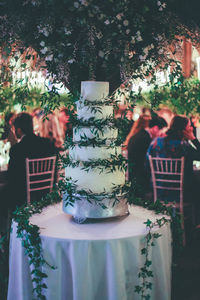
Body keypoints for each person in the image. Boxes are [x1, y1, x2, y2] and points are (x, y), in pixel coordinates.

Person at [7, 112, 57, 210]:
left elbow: (12, 177)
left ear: (19, 130)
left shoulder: (16, 149)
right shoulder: (48, 143)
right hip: (46, 194)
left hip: (25, 198)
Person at [146, 115, 200, 206]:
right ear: (183, 131)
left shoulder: (156, 142)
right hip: (181, 193)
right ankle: (191, 219)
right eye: (189, 126)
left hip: (159, 190)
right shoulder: (184, 146)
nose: (191, 128)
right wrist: (193, 139)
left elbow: (147, 165)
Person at [128, 115, 167, 198]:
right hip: (141, 181)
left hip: (134, 177)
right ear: (156, 128)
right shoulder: (145, 139)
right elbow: (150, 162)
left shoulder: (140, 135)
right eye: (162, 130)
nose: (162, 134)